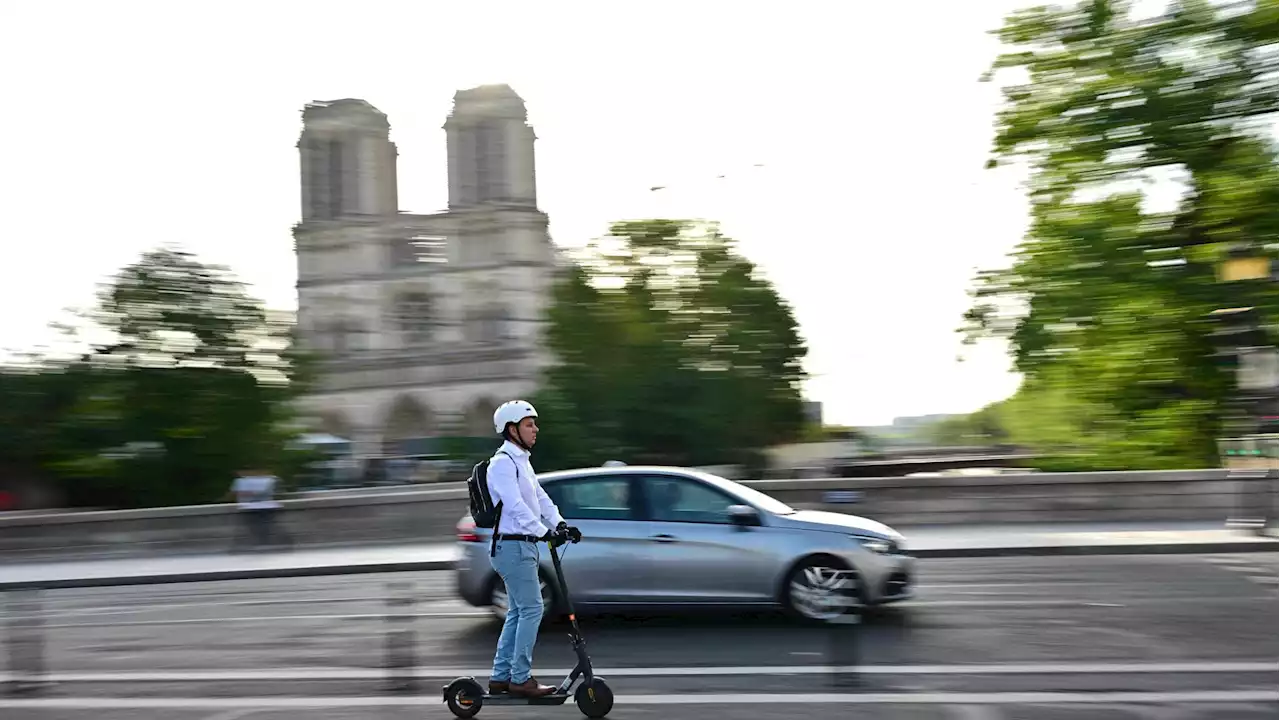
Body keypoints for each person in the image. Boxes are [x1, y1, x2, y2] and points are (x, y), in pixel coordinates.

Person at [485, 400, 580, 698]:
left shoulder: (522, 461)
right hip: (511, 548)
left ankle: (501, 677)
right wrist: (543, 533)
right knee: (533, 608)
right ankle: (520, 678)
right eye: (529, 424)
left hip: (523, 547)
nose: (535, 429)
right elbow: (515, 507)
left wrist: (560, 524)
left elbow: (540, 499)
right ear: (512, 430)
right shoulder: (502, 463)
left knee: (518, 611)